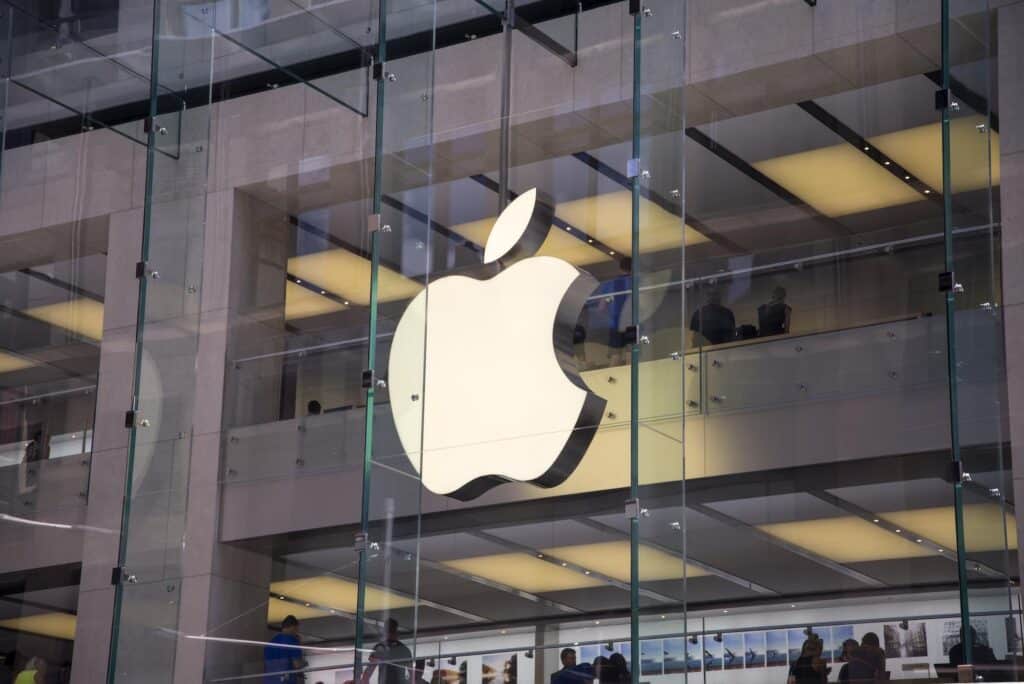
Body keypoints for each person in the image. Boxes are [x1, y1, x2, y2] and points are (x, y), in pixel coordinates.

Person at [362, 618, 412, 684]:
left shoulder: (380, 648)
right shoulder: (404, 649)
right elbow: (412, 676)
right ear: (396, 631)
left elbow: (367, 675)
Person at [264, 615, 303, 683]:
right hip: (286, 680)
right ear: (293, 627)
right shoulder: (293, 641)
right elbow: (297, 665)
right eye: (297, 629)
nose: (297, 631)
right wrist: (305, 663)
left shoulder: (270, 643)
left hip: (270, 680)